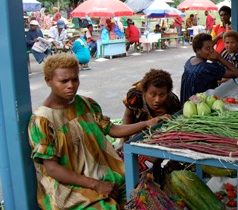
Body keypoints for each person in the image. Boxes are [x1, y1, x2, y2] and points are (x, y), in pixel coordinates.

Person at [28, 54, 169, 209]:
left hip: (105, 177)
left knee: (149, 198)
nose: (71, 85)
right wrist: (96, 185)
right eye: (64, 81)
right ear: (48, 81)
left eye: (75, 79)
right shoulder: (42, 120)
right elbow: (52, 169)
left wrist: (147, 123)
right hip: (69, 189)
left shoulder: (85, 104)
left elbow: (113, 129)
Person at [118, 69, 181, 159]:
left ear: (168, 93)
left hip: (160, 139)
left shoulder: (172, 102)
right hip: (137, 131)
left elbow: (175, 131)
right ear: (144, 92)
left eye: (162, 95)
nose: (157, 100)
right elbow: (128, 116)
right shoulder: (135, 96)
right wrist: (123, 142)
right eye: (153, 95)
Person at [180, 33, 238, 104]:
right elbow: (237, 73)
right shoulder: (207, 68)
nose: (212, 51)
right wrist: (219, 57)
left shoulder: (190, 61)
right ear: (198, 50)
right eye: (207, 48)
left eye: (212, 47)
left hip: (187, 103)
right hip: (199, 106)